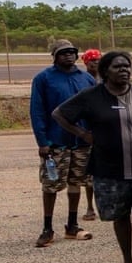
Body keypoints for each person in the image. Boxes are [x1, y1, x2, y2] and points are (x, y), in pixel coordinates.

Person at [52, 51, 132, 263]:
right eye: (118, 67)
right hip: (109, 169)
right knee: (120, 215)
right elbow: (59, 114)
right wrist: (83, 134)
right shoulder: (92, 96)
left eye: (127, 66)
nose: (124, 70)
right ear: (106, 71)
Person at [30, 39, 97, 247]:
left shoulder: (86, 78)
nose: (68, 55)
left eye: (71, 52)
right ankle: (47, 228)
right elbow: (37, 111)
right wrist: (42, 141)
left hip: (81, 142)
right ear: (55, 56)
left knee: (76, 182)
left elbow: (96, 108)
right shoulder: (43, 78)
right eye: (63, 52)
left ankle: (72, 225)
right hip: (55, 142)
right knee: (50, 185)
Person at [78, 48, 102, 221]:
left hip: (103, 128)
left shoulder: (107, 79)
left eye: (98, 60)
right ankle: (89, 206)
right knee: (88, 173)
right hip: (88, 129)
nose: (96, 63)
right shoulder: (82, 80)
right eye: (92, 60)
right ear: (86, 62)